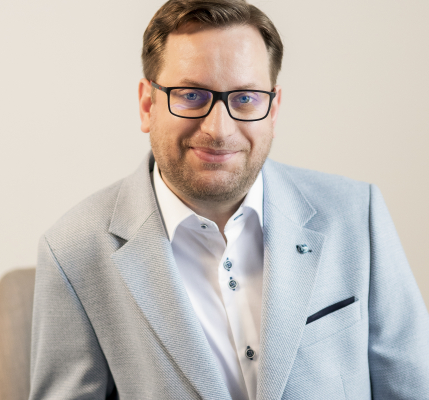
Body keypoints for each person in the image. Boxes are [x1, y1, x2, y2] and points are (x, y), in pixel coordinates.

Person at [29, 0, 429, 399]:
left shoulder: (359, 215)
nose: (219, 130)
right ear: (147, 105)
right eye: (190, 95)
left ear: (273, 109)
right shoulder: (73, 252)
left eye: (244, 98)